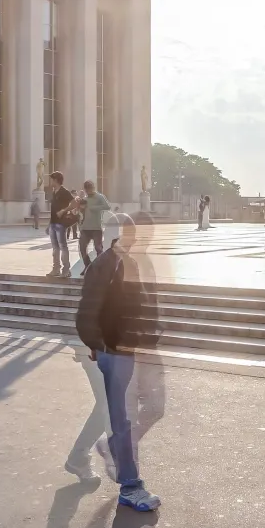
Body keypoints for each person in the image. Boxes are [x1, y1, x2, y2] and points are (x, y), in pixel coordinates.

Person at [73, 214, 161, 511]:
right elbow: (87, 312)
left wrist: (148, 337)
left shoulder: (128, 263)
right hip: (112, 351)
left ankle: (114, 471)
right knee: (121, 419)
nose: (134, 238)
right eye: (128, 233)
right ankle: (130, 486)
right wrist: (97, 346)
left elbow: (139, 306)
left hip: (124, 348)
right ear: (114, 235)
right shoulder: (104, 266)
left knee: (123, 416)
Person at [45, 171, 78, 278]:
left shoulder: (64, 191)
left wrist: (63, 211)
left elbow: (74, 203)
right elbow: (53, 209)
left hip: (60, 224)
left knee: (63, 247)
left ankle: (66, 270)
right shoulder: (54, 192)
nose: (50, 182)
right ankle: (56, 269)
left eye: (52, 179)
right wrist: (49, 224)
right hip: (53, 224)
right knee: (55, 248)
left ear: (56, 180)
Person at [77, 180, 111, 268]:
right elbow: (82, 213)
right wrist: (81, 208)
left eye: (89, 189)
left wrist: (94, 208)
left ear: (93, 188)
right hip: (85, 228)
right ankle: (88, 266)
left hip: (96, 227)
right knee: (82, 248)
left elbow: (107, 207)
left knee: (98, 248)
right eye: (86, 190)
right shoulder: (85, 199)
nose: (88, 192)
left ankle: (101, 267)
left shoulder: (100, 197)